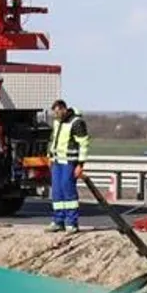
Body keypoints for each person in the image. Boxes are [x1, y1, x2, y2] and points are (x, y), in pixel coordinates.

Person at [46, 99, 89, 233]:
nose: (56, 115)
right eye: (55, 113)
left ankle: (72, 222)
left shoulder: (76, 122)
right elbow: (54, 140)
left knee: (68, 190)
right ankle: (58, 221)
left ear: (64, 109)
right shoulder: (58, 122)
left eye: (58, 112)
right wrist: (50, 156)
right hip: (57, 162)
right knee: (57, 192)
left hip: (70, 162)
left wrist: (80, 164)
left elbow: (83, 144)